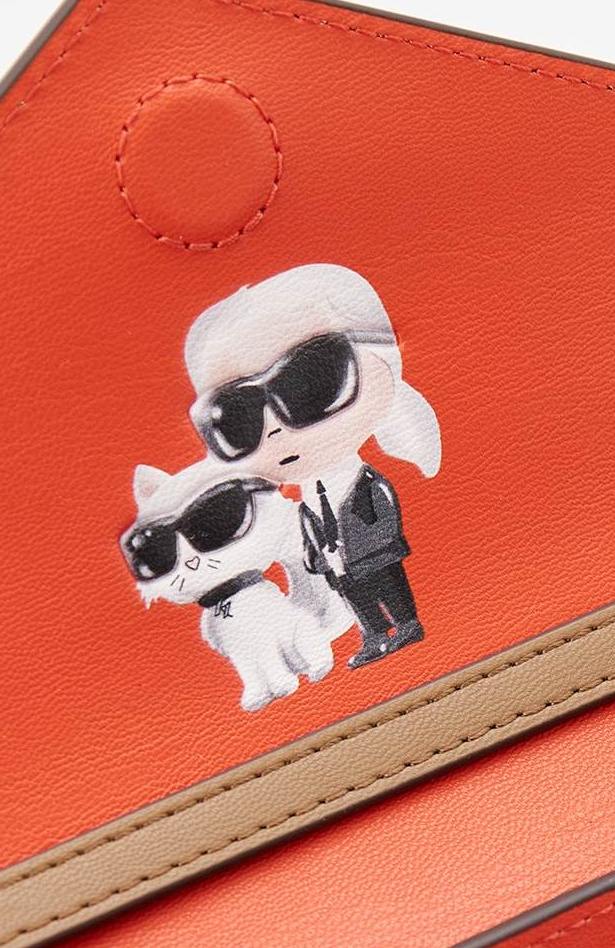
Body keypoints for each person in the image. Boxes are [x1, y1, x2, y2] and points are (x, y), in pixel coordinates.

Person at [184, 263, 442, 667]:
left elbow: (383, 506)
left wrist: (375, 542)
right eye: (235, 418)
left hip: (375, 553)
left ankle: (406, 624)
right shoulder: (303, 499)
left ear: (382, 361)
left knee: (389, 587)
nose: (273, 428)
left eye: (310, 384)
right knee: (357, 599)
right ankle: (375, 634)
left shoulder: (366, 481)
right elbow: (310, 527)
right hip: (338, 565)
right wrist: (317, 560)